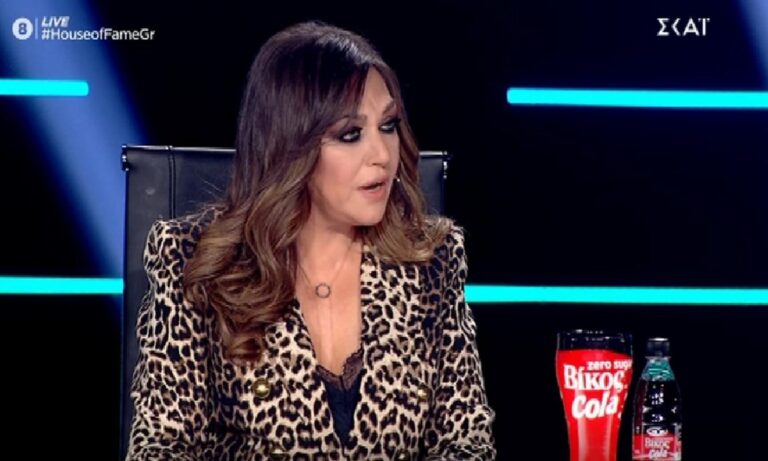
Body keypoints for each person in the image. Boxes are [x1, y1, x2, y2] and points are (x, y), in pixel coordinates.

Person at [125, 20, 495, 460]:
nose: (382, 155)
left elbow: (466, 442)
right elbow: (161, 448)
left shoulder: (432, 261)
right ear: (289, 147)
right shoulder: (194, 263)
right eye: (350, 134)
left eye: (389, 125)